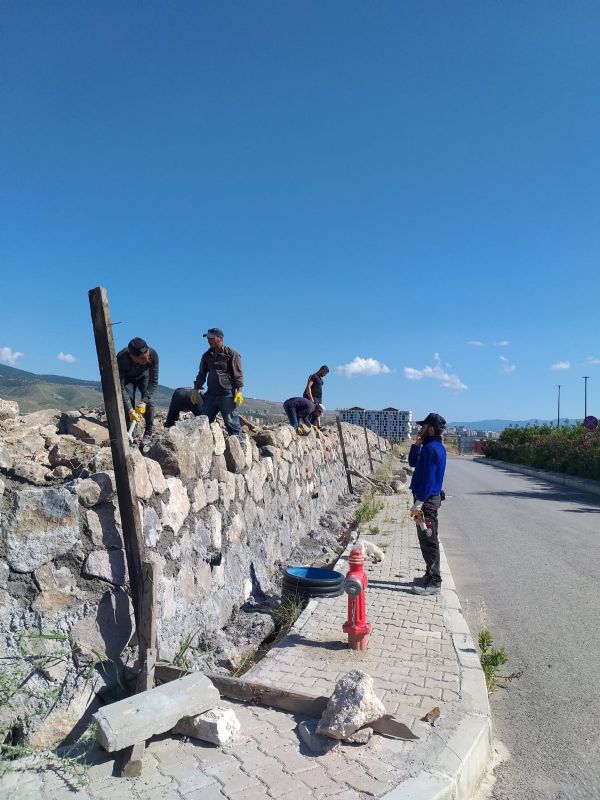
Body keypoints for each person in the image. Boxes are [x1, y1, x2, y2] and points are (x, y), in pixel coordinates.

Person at [409, 412, 447, 596]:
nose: (420, 429)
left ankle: (434, 583)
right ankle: (428, 575)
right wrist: (416, 446)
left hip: (426, 503)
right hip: (423, 501)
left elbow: (429, 480)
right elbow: (412, 463)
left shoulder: (432, 449)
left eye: (423, 427)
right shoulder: (430, 446)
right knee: (424, 539)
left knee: (429, 540)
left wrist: (419, 502)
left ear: (431, 429)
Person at [191, 328, 243, 436]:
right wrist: (195, 389)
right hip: (211, 395)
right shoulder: (206, 356)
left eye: (212, 338)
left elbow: (238, 374)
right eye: (208, 338)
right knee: (203, 423)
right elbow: (201, 374)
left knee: (232, 426)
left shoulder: (231, 354)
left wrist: (239, 392)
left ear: (220, 338)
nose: (209, 340)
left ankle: (238, 444)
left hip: (227, 395)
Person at [117, 337, 159, 448]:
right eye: (142, 359)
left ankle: (148, 434)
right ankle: (133, 439)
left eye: (147, 356)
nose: (147, 360)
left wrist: (144, 401)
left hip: (144, 377)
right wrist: (130, 410)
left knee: (149, 402)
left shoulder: (153, 355)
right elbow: (120, 387)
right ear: (132, 356)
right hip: (127, 379)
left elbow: (153, 382)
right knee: (128, 405)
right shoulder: (121, 358)